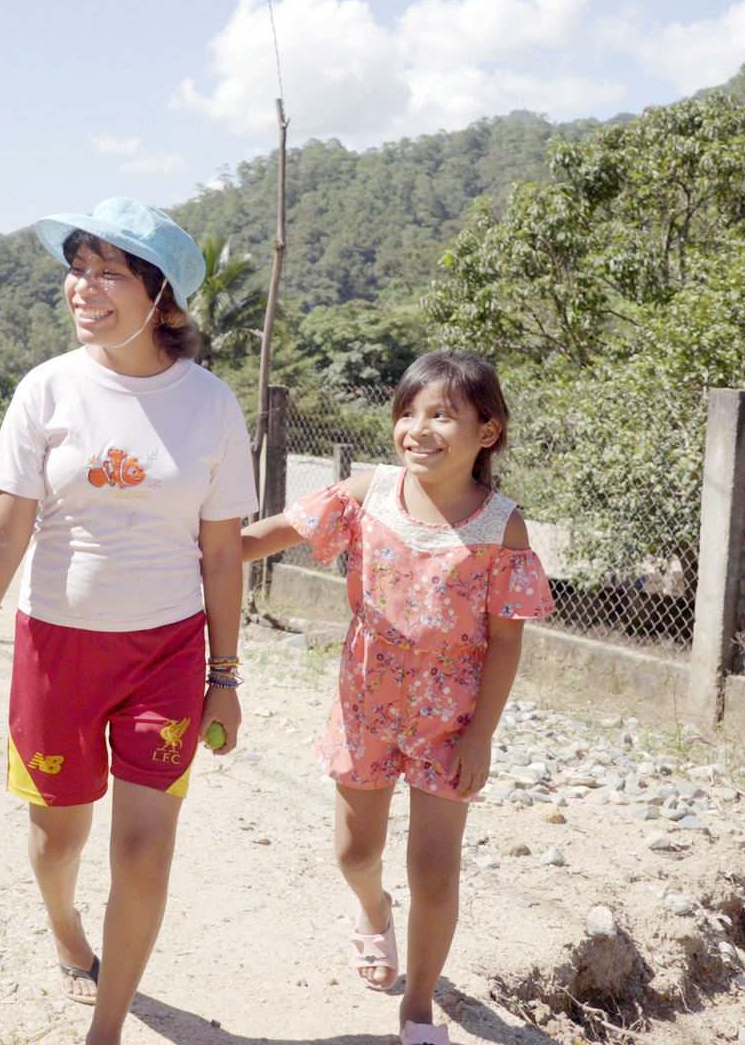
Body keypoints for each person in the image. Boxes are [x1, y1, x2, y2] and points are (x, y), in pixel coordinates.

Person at [0, 197, 257, 1045]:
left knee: (145, 852)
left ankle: (108, 1028)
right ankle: (64, 926)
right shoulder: (48, 388)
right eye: (76, 269)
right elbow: (4, 530)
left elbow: (223, 555)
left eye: (107, 272)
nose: (83, 287)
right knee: (57, 839)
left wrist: (223, 680)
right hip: (56, 651)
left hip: (166, 651)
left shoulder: (211, 406)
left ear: (163, 298)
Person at [241, 352, 555, 1045]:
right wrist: (197, 547)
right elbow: (268, 537)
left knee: (435, 871)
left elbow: (505, 643)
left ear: (487, 431)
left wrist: (482, 736)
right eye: (407, 413)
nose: (418, 428)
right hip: (366, 711)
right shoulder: (367, 492)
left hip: (453, 724)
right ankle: (373, 909)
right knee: (355, 853)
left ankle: (417, 1007)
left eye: (442, 414)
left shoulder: (501, 524)